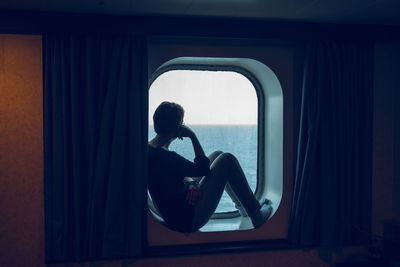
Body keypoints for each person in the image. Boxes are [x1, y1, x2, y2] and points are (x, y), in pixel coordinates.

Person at [148, 101, 272, 232]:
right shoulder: (166, 156)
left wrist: (192, 184)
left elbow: (179, 174)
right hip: (188, 218)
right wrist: (192, 136)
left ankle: (243, 207)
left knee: (217, 155)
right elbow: (203, 169)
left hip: (177, 213)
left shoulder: (151, 149)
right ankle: (256, 214)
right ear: (178, 127)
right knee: (227, 160)